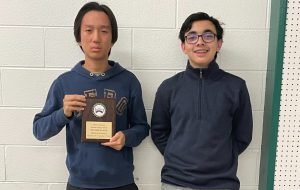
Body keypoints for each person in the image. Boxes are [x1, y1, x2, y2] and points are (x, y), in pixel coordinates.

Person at [33, 2, 149, 190]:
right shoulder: (64, 83)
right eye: (88, 30)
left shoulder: (129, 81)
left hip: (122, 183)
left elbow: (142, 127)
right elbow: (39, 130)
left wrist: (126, 137)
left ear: (112, 38)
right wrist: (64, 113)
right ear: (79, 37)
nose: (96, 38)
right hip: (80, 184)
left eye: (104, 31)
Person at [151, 12, 253, 190]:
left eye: (208, 36)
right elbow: (159, 132)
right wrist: (177, 156)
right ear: (183, 46)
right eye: (191, 37)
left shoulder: (236, 87)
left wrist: (222, 157)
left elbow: (243, 135)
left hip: (222, 184)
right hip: (175, 182)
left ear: (219, 43)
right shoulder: (168, 88)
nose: (200, 42)